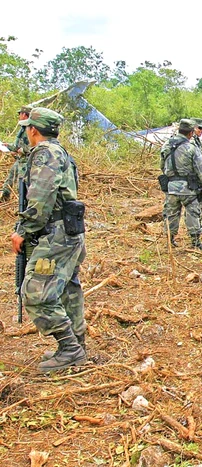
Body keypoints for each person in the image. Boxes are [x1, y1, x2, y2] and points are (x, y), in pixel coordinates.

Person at [10, 107, 87, 373]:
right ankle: (77, 342)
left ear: (33, 130)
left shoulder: (45, 154)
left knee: (35, 292)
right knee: (66, 287)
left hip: (56, 234)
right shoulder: (61, 152)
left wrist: (24, 230)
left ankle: (69, 348)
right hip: (69, 231)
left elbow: (41, 198)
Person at [161, 119, 202, 249]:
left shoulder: (166, 145)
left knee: (171, 213)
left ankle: (170, 240)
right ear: (191, 133)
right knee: (193, 213)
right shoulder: (191, 148)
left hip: (171, 187)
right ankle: (195, 241)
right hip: (188, 188)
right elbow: (200, 170)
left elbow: (162, 166)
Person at [1, 105, 33, 201]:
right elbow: (18, 145)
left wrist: (21, 151)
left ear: (24, 114)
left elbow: (33, 146)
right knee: (10, 178)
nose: (19, 116)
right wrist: (8, 146)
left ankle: (23, 204)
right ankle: (4, 198)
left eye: (20, 114)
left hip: (26, 161)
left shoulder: (31, 129)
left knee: (22, 185)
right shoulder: (22, 128)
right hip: (20, 160)